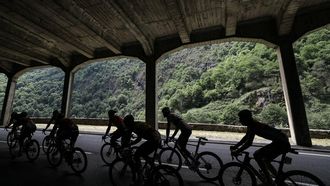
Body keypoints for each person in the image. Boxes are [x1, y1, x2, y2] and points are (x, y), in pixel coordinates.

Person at [230, 109, 291, 185]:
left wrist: (237, 151)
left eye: (241, 118)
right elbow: (246, 137)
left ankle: (269, 180)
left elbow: (248, 143)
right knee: (265, 161)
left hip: (281, 142)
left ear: (246, 118)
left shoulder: (253, 126)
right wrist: (236, 146)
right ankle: (278, 180)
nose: (240, 120)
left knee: (257, 155)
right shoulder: (252, 124)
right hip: (282, 140)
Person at [122, 114, 161, 185]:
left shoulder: (135, 126)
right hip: (157, 137)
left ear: (129, 123)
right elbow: (129, 134)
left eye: (126, 124)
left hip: (153, 140)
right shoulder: (137, 123)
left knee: (136, 155)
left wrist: (130, 144)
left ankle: (140, 179)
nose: (126, 126)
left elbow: (139, 139)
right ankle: (155, 171)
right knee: (144, 154)